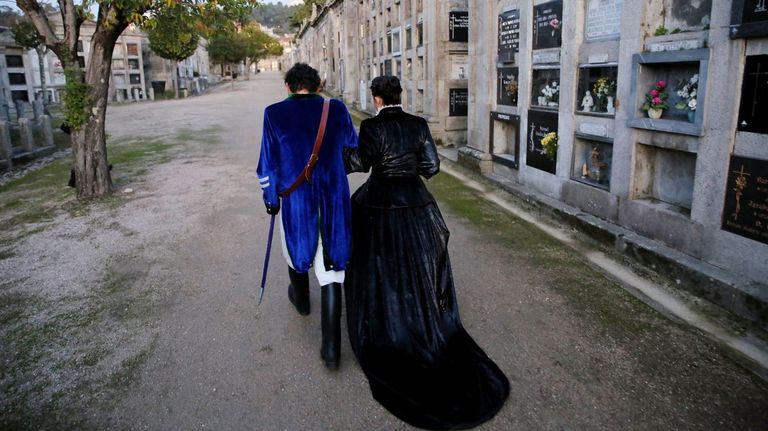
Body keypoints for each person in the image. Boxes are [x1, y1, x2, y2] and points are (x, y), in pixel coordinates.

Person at [344, 76, 510, 430]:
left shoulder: (372, 126)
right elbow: (432, 167)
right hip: (417, 202)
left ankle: (389, 316)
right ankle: (423, 316)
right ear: (398, 96)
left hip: (380, 202)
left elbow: (360, 162)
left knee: (380, 264)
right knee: (420, 264)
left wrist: (340, 154)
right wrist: (407, 169)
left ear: (376, 99)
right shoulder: (418, 124)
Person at [256, 63, 358, 369]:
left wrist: (271, 199)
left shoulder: (273, 113)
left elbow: (267, 165)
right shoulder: (336, 109)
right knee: (331, 271)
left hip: (297, 200)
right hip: (333, 199)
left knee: (295, 252)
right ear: (317, 86)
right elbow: (352, 148)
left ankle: (301, 302)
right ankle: (331, 350)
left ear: (288, 87)